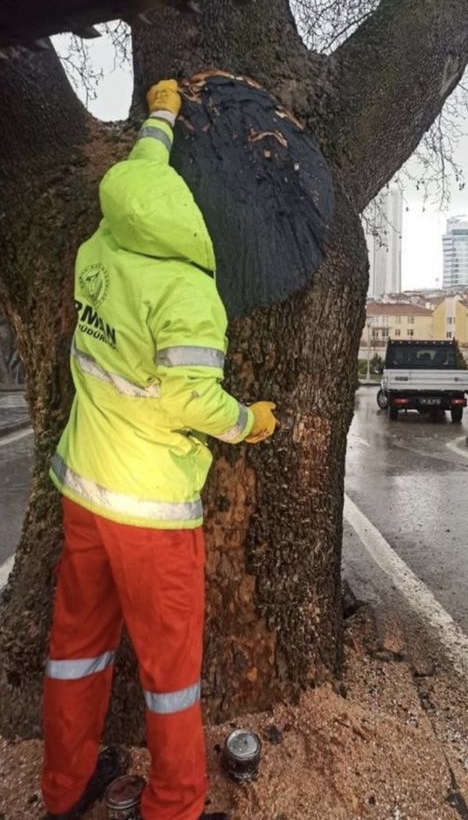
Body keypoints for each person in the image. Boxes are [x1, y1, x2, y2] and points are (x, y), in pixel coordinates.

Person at [41, 79, 277, 820]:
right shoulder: (187, 290)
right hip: (152, 512)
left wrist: (163, 115)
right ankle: (173, 805)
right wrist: (250, 421)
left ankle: (65, 786)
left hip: (86, 490)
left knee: (75, 648)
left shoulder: (100, 246)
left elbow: (143, 168)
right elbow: (189, 400)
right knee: (171, 672)